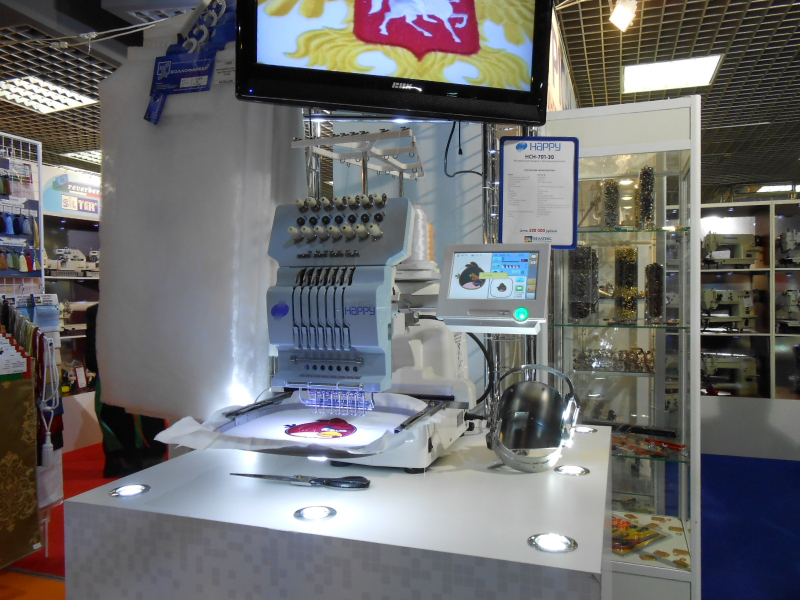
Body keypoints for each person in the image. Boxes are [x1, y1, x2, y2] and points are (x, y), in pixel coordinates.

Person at [85, 303, 167, 477]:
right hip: (122, 391)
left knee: (147, 454)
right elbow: (92, 359)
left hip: (141, 391)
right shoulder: (98, 311)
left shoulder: (148, 308)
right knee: (129, 450)